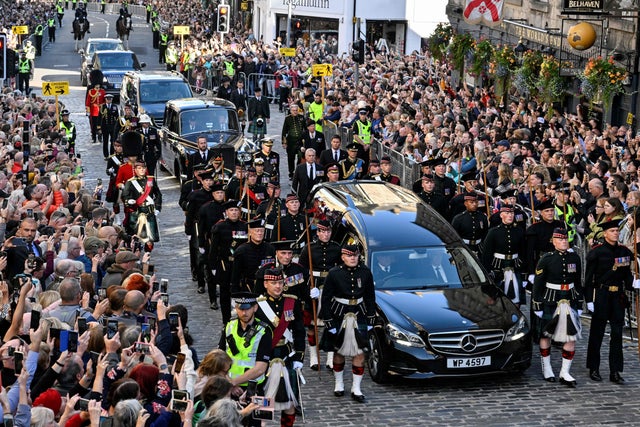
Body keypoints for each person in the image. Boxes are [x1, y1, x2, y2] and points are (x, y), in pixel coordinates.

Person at [320, 244, 375, 403]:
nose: (353, 258)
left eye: (355, 255)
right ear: (343, 257)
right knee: (338, 351)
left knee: (360, 352)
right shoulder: (334, 273)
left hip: (360, 313)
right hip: (339, 314)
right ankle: (339, 383)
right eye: (349, 256)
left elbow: (370, 296)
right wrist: (328, 320)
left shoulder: (365, 272)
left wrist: (371, 317)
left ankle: (356, 388)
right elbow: (326, 298)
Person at [585, 219, 634, 384]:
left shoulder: (624, 252)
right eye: (612, 231)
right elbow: (588, 279)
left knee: (617, 334)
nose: (615, 233)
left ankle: (615, 371)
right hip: (601, 294)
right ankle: (594, 368)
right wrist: (588, 300)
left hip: (618, 296)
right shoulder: (597, 253)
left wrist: (632, 284)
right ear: (605, 233)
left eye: (617, 231)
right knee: (597, 333)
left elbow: (626, 274)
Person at [532, 227, 583, 386]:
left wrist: (580, 302)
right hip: (550, 300)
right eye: (560, 240)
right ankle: (547, 368)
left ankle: (564, 372)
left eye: (565, 239)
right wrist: (537, 305)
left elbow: (578, 281)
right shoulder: (546, 259)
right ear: (553, 242)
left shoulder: (575, 258)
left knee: (571, 336)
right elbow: (538, 285)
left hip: (569, 299)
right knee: (545, 335)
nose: (563, 242)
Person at [255, 268, 305, 427]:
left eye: (280, 283)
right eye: (273, 283)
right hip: (265, 355)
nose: (277, 286)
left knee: (289, 402)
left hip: (286, 354)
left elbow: (299, 330)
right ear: (265, 284)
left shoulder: (292, 301)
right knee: (263, 400)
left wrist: (299, 355)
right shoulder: (258, 305)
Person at [220, 292, 271, 427]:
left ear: (255, 308)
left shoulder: (264, 331)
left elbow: (260, 368)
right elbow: (218, 359)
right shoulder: (229, 326)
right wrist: (230, 384)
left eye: (247, 308)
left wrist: (233, 382)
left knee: (259, 424)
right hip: (229, 390)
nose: (244, 312)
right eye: (240, 308)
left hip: (255, 389)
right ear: (235, 308)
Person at [299, 219, 341, 370]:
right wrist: (307, 288)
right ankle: (314, 358)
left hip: (330, 286)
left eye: (328, 231)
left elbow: (341, 269)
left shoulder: (337, 248)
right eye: (323, 231)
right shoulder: (308, 249)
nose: (326, 234)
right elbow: (302, 271)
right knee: (312, 325)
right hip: (313, 286)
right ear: (317, 232)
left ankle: (330, 357)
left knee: (331, 323)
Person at [481, 204, 526, 306]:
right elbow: (486, 254)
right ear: (501, 215)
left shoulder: (519, 231)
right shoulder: (493, 232)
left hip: (515, 266)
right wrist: (487, 271)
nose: (510, 215)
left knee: (516, 300)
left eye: (512, 213)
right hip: (498, 267)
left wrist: (524, 273)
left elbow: (523, 252)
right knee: (497, 300)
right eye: (507, 213)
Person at [209, 200, 248, 320]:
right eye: (231, 210)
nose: (234, 213)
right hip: (225, 264)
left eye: (236, 210)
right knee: (225, 294)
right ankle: (226, 320)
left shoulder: (245, 226)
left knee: (241, 293)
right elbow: (213, 249)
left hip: (241, 265)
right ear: (226, 212)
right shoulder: (219, 227)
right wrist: (213, 266)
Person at [121, 159, 162, 242]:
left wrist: (157, 208)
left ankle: (148, 253)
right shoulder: (130, 182)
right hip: (136, 212)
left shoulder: (151, 180)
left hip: (149, 211)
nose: (142, 170)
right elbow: (124, 196)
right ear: (135, 170)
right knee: (136, 237)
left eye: (143, 168)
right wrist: (128, 201)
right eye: (139, 168)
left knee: (150, 239)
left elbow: (158, 194)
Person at [231, 219, 275, 294]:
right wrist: (235, 293)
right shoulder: (241, 250)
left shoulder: (270, 249)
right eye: (257, 231)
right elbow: (235, 275)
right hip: (248, 288)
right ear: (250, 232)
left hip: (266, 289)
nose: (260, 233)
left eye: (262, 231)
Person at [281, 104, 306, 179]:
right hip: (291, 141)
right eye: (293, 110)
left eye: (296, 110)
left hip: (300, 141)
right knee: (291, 158)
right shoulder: (287, 118)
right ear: (291, 111)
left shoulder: (301, 117)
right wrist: (284, 142)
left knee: (300, 156)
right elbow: (284, 131)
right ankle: (291, 172)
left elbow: (305, 128)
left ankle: (298, 171)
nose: (295, 112)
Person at [99, 93, 120, 159]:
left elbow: (117, 117)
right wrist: (99, 127)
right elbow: (99, 117)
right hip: (105, 126)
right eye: (107, 99)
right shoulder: (102, 107)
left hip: (112, 126)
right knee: (105, 141)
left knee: (113, 141)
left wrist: (117, 127)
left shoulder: (114, 106)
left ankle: (112, 154)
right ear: (105, 100)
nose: (109, 101)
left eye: (110, 99)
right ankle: (106, 155)